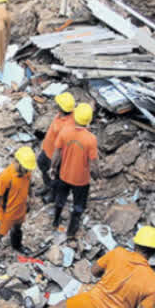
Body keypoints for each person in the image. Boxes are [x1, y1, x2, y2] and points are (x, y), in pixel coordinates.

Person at [50, 103, 98, 240]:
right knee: (78, 207)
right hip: (81, 181)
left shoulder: (65, 132)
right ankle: (71, 232)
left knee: (60, 200)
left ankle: (55, 221)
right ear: (89, 120)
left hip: (64, 175)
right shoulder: (91, 139)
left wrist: (53, 168)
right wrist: (96, 175)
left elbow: (56, 153)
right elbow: (93, 163)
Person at [0, 147, 37, 271]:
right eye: (26, 168)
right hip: (6, 213)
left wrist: (31, 196)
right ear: (17, 162)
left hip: (20, 209)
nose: (28, 171)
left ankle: (17, 245)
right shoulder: (6, 177)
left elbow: (29, 184)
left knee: (18, 228)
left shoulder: (27, 171)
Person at [38, 92, 76, 202]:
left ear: (61, 107)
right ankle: (47, 186)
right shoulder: (62, 114)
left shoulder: (67, 126)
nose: (56, 104)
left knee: (54, 176)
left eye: (58, 103)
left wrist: (54, 166)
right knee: (41, 164)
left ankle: (53, 195)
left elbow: (60, 150)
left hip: (54, 156)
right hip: (47, 150)